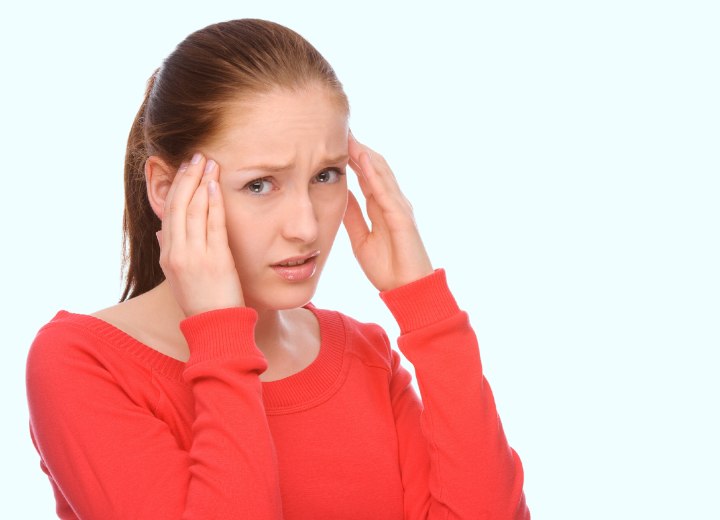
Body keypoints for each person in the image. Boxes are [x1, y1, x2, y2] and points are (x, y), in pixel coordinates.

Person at [25, 18, 530, 519]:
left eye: (325, 175)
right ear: (164, 189)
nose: (306, 227)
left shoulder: (366, 356)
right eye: (261, 184)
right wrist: (221, 337)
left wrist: (427, 311)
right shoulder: (81, 363)